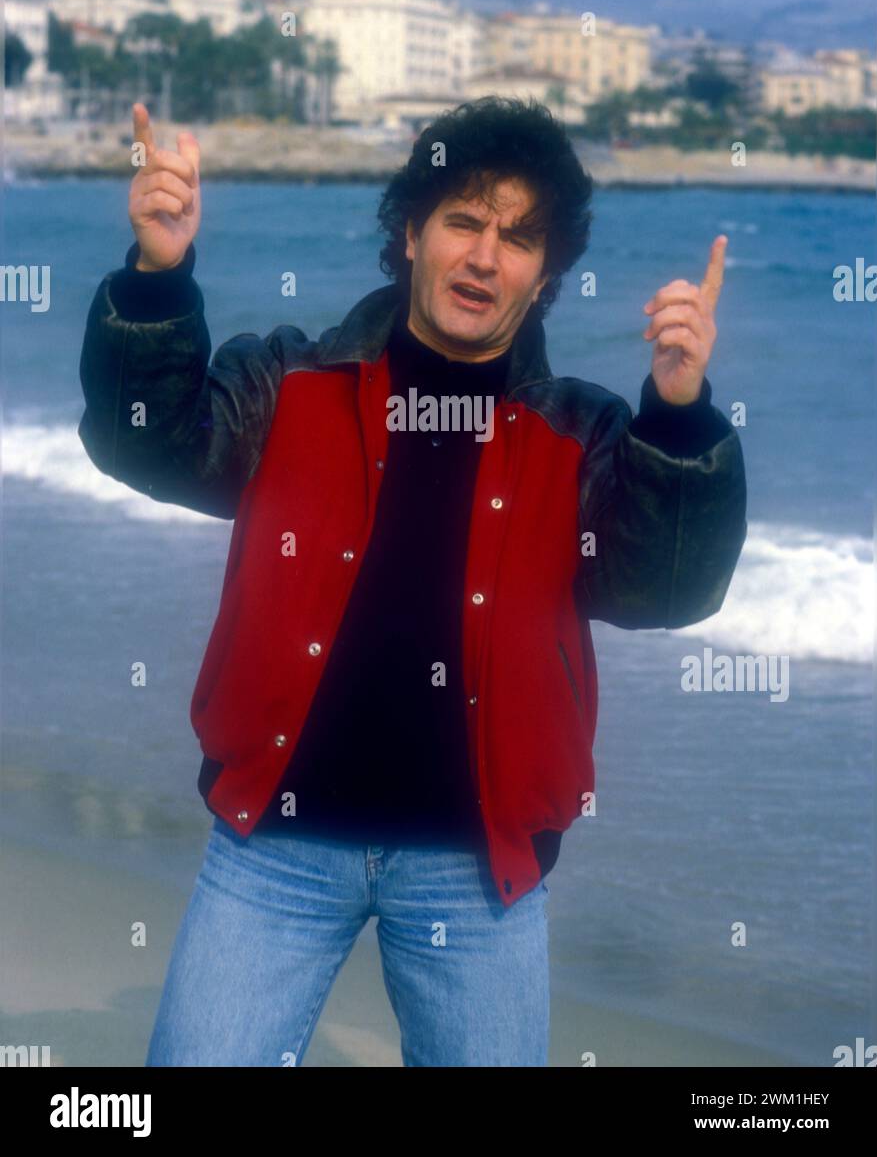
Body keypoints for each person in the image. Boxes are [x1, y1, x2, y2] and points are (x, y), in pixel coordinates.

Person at [78, 95, 747, 1067]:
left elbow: (665, 589)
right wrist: (157, 277)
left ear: (545, 274)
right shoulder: (289, 380)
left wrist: (678, 414)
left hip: (479, 870)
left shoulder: (585, 433)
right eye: (463, 222)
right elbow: (148, 445)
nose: (484, 257)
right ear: (410, 234)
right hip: (275, 841)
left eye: (518, 238)